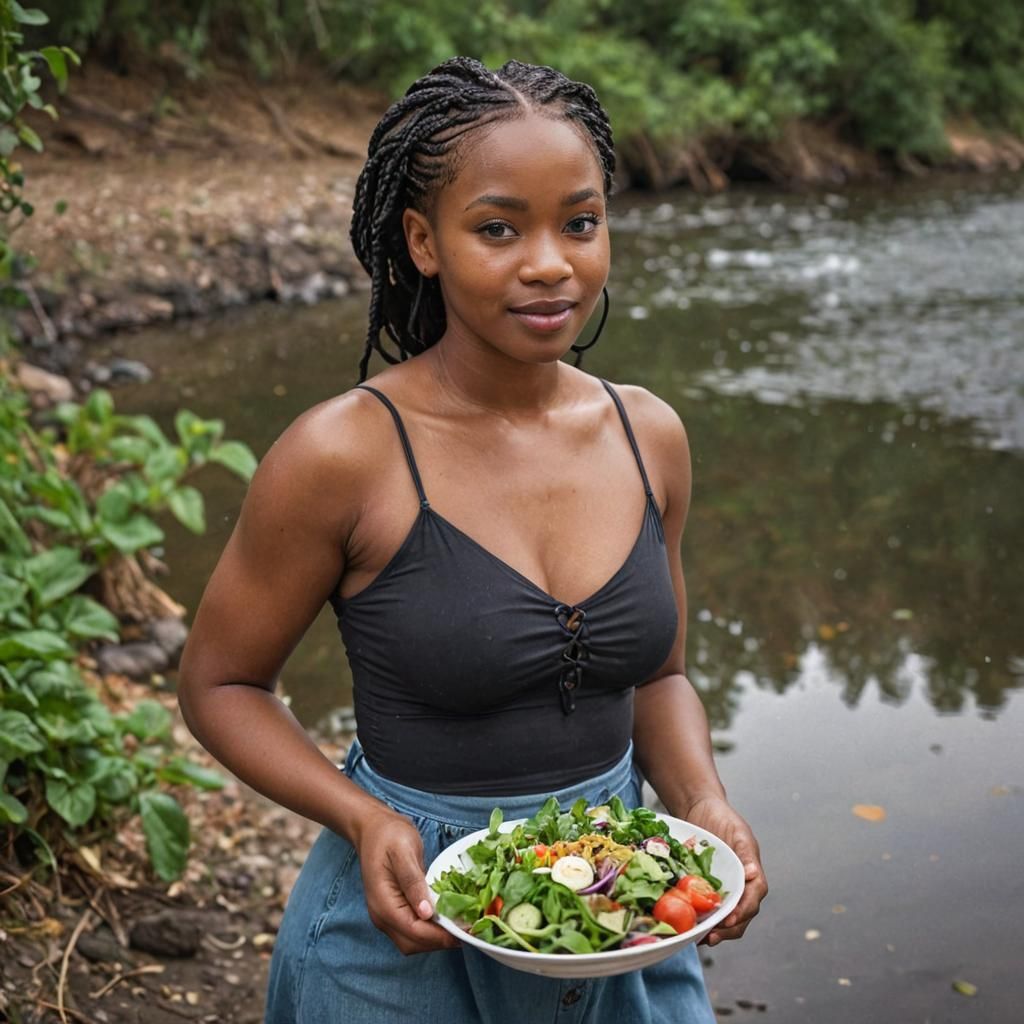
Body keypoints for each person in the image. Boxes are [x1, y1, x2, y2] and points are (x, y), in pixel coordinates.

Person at [178, 56, 767, 1024]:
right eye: (498, 228)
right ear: (422, 240)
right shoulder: (342, 454)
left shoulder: (646, 432)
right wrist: (364, 817)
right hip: (410, 915)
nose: (550, 262)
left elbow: (656, 674)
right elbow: (221, 684)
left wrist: (700, 801)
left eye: (579, 222)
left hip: (615, 905)